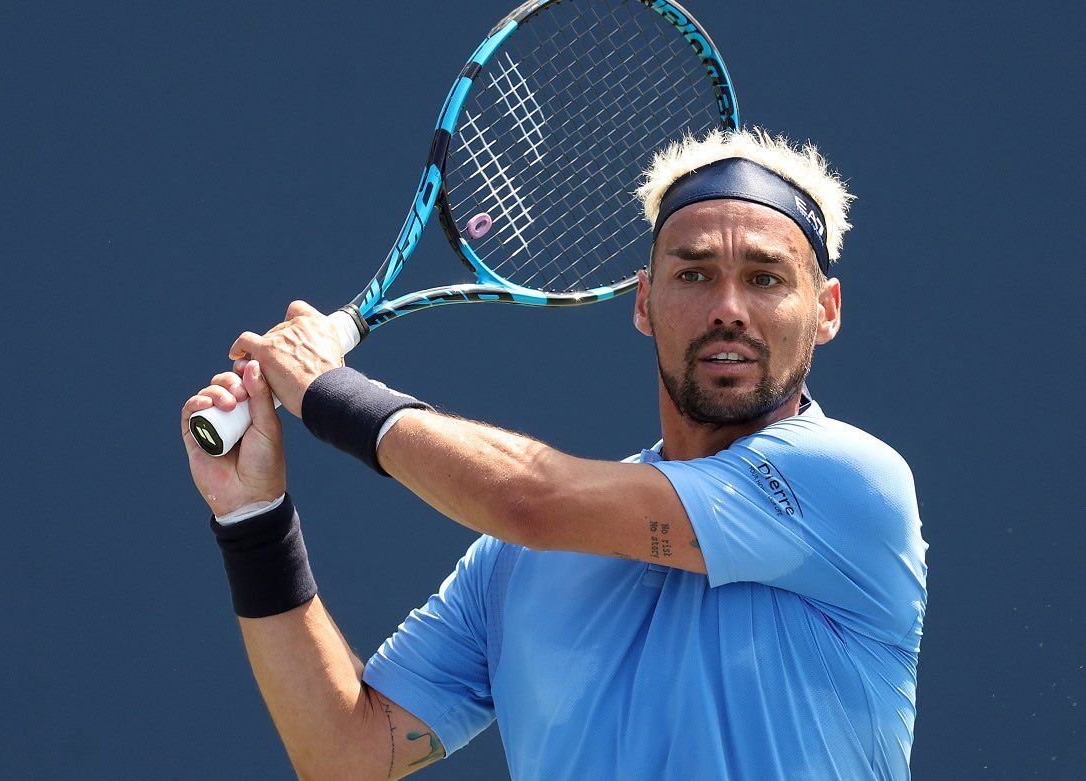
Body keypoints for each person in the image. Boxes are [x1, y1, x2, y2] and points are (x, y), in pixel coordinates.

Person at [181, 128, 927, 780]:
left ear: (824, 310)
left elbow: (528, 500)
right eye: (693, 274)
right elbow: (345, 754)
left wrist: (326, 390)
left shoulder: (850, 483)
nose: (727, 305)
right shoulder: (512, 564)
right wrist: (253, 515)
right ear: (644, 301)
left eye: (764, 278)